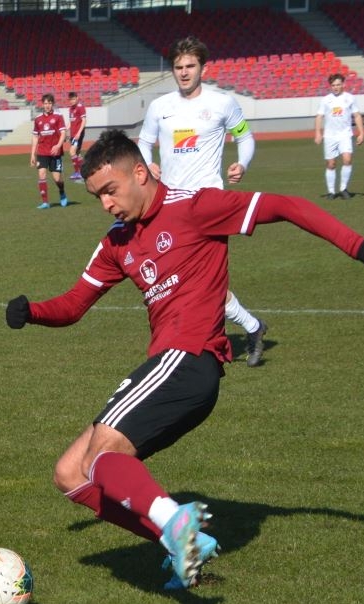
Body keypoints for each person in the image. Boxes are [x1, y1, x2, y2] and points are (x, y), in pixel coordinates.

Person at [4, 129, 364, 589]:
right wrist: (32, 312)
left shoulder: (196, 207)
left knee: (100, 457)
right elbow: (74, 305)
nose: (106, 204)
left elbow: (288, 205)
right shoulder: (118, 242)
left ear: (140, 173)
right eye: (96, 196)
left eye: (110, 191)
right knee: (70, 473)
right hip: (174, 368)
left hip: (189, 358)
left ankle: (175, 523)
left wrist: (359, 246)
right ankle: (180, 542)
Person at [138, 36, 269, 366]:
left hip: (210, 204)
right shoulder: (159, 107)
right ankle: (252, 327)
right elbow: (143, 142)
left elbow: (245, 136)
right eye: (178, 67)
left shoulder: (223, 103)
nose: (184, 72)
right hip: (169, 207)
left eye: (190, 66)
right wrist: (148, 165)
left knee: (203, 283)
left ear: (203, 68)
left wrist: (243, 163)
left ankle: (193, 347)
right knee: (182, 281)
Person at [315, 73, 364, 200]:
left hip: (345, 134)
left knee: (347, 160)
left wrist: (361, 132)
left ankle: (343, 189)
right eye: (333, 85)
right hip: (330, 136)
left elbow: (357, 115)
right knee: (331, 164)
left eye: (338, 84)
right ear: (330, 86)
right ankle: (331, 192)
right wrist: (318, 133)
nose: (335, 87)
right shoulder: (326, 100)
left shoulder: (350, 98)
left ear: (343, 84)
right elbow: (319, 116)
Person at [30, 94, 68, 209]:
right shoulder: (38, 119)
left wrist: (58, 145)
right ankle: (45, 202)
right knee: (41, 174)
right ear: (42, 104)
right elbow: (35, 137)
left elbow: (63, 133)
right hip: (42, 152)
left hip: (55, 153)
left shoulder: (58, 117)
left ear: (52, 104)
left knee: (57, 179)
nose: (47, 106)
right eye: (45, 103)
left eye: (49, 103)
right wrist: (32, 154)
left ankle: (62, 191)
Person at [66, 92, 87, 180]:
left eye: (73, 99)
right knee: (77, 154)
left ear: (77, 98)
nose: (72, 101)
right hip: (73, 134)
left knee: (72, 152)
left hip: (78, 134)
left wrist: (78, 133)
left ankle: (77, 172)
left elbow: (84, 121)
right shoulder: (70, 109)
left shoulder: (80, 107)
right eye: (70, 99)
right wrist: (65, 131)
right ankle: (85, 170)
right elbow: (71, 122)